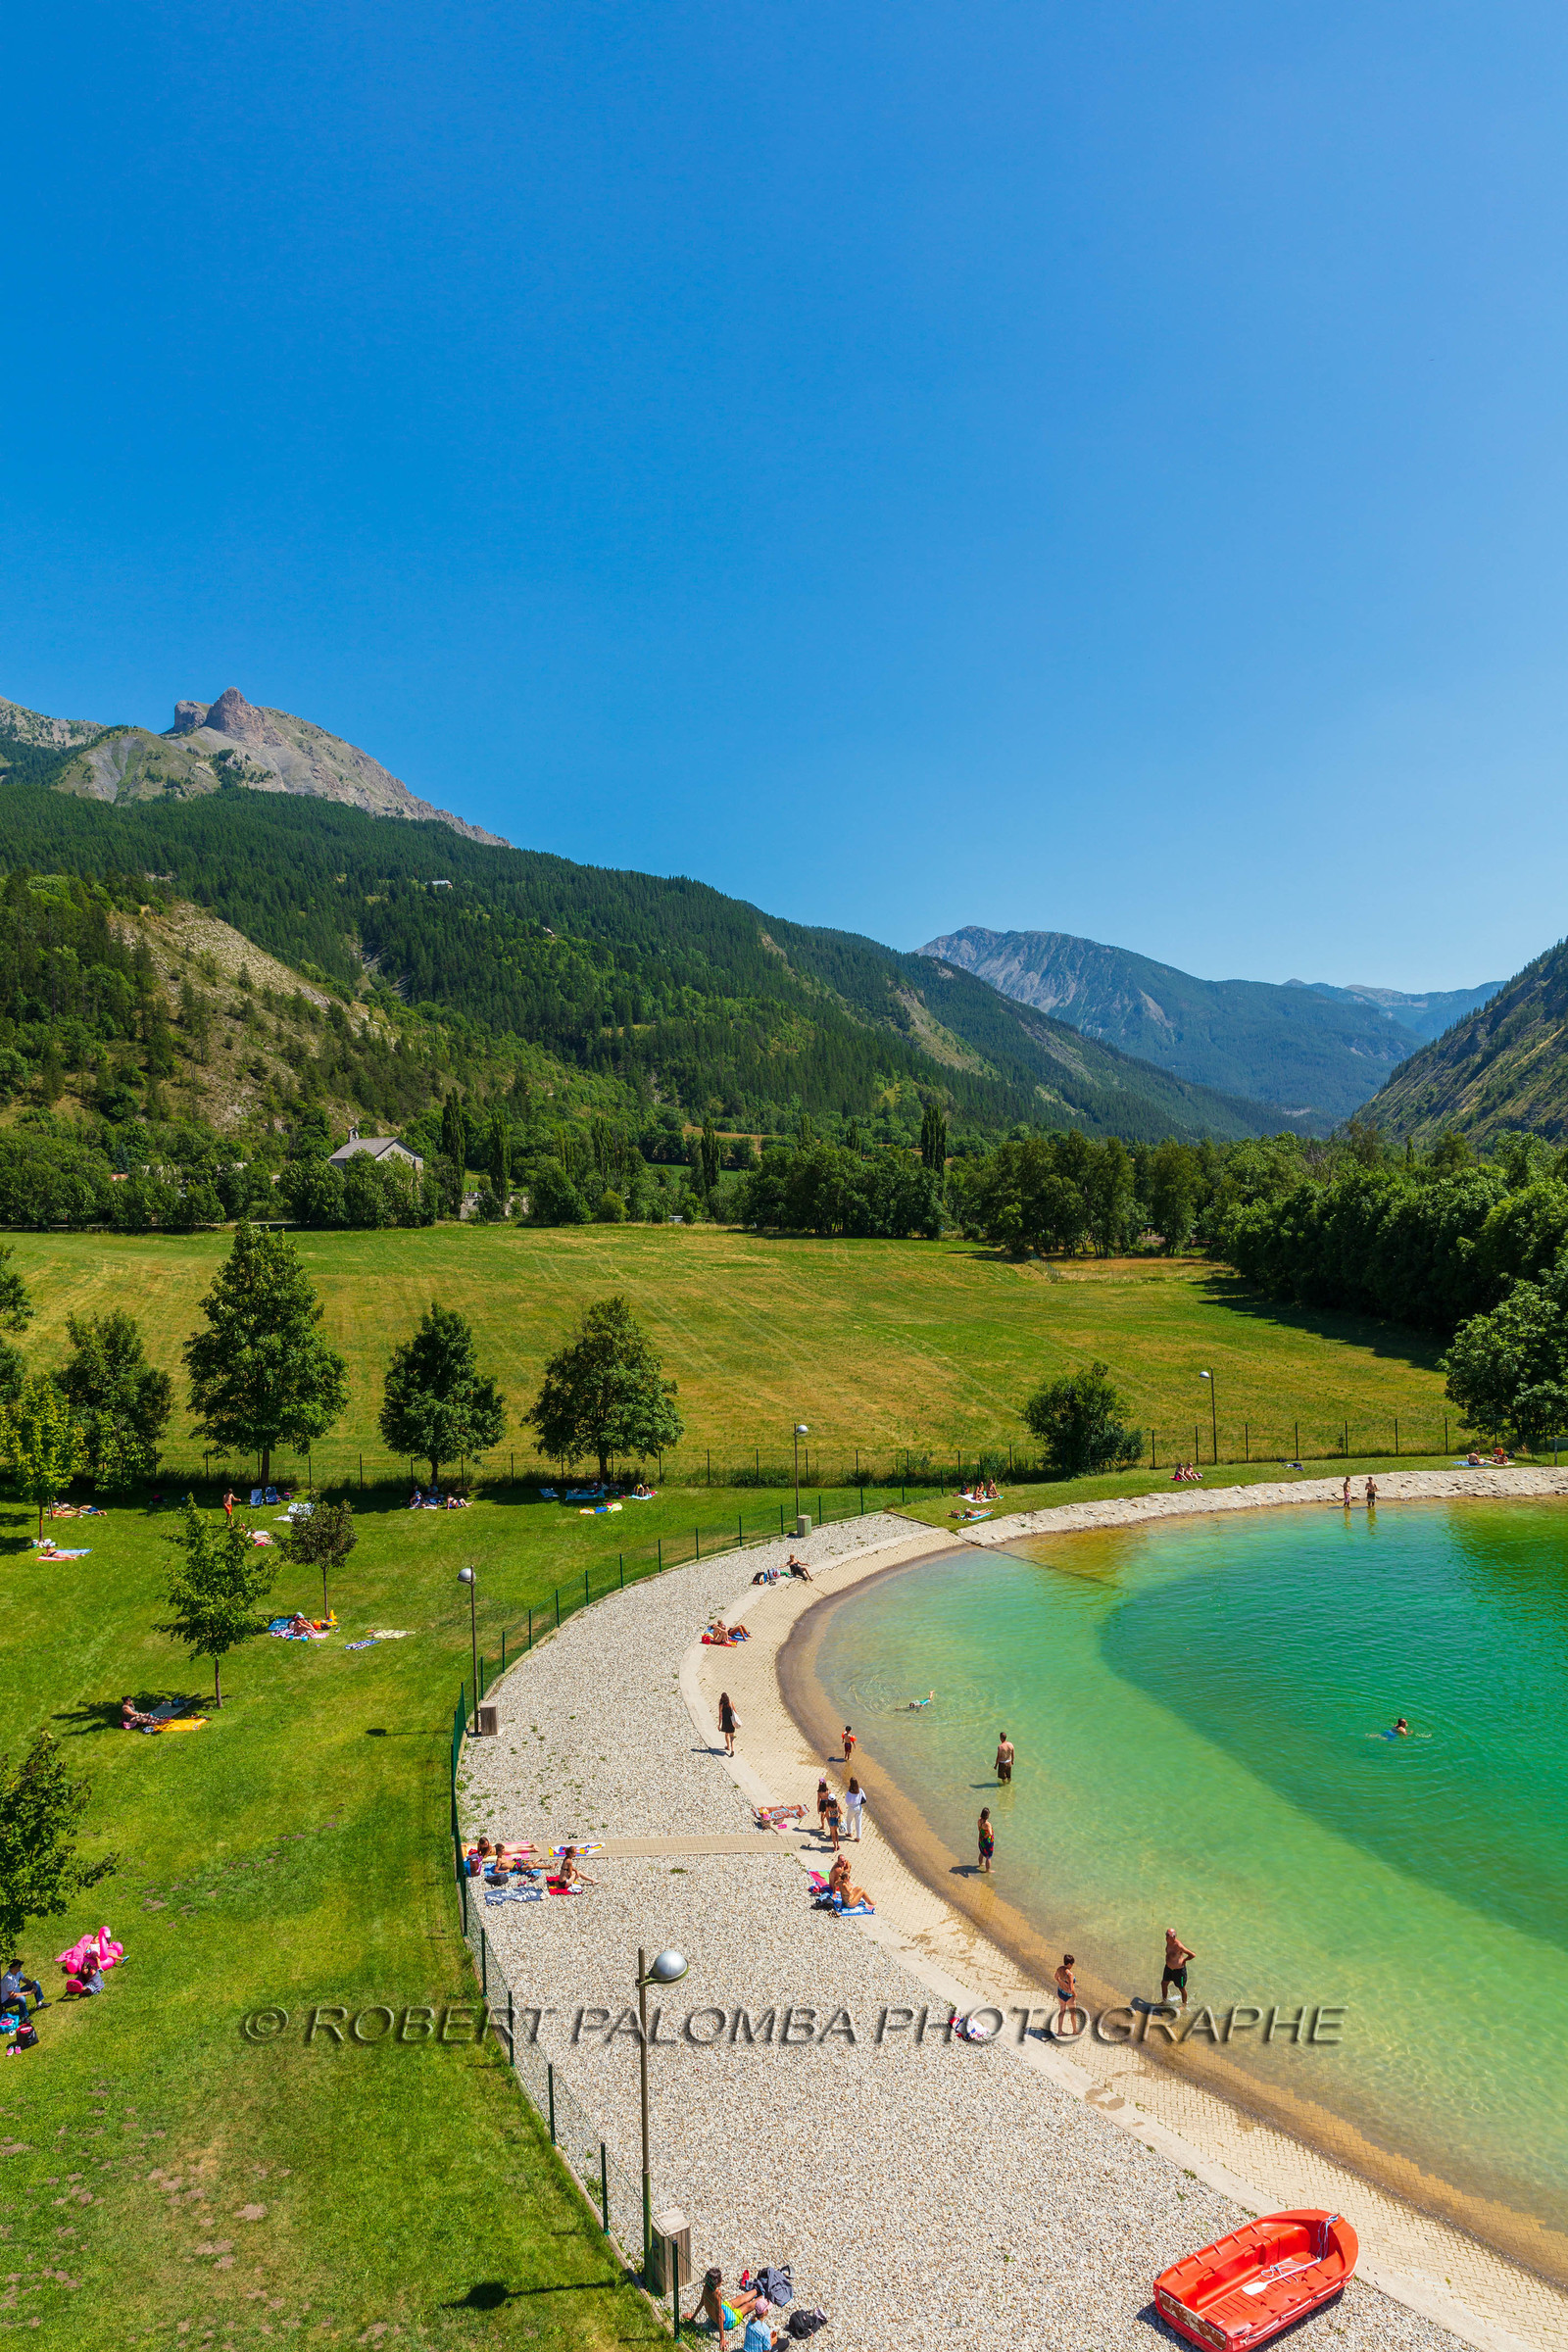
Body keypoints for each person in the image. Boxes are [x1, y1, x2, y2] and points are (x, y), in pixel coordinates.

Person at [686, 2267, 759, 2339]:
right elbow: (720, 2316)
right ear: (717, 2283)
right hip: (727, 2320)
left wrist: (693, 2317)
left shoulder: (706, 2287)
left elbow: (701, 2303)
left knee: (739, 2298)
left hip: (722, 2310)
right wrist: (722, 2339)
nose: (722, 2280)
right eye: (721, 2278)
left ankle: (757, 2289)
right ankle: (763, 2297)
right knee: (747, 2306)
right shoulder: (717, 2294)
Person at [1161, 1925, 1196, 2012]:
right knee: (1164, 1983)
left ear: (1174, 1937)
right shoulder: (1168, 1942)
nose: (1167, 1937)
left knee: (1181, 1988)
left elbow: (1192, 1955)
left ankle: (1184, 2004)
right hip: (1168, 1968)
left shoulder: (1179, 1946)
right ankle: (1164, 2001)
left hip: (1179, 1971)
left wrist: (1185, 1960)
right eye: (1166, 1935)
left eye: (1169, 1936)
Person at [1053, 1953, 1078, 2034]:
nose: (1072, 1966)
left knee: (1062, 2011)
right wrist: (1075, 1994)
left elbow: (1056, 1977)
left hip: (1060, 1992)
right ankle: (1074, 2031)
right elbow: (1070, 1989)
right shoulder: (1070, 1975)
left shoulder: (1060, 1969)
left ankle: (1060, 2031)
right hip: (1068, 1996)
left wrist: (1061, 1982)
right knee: (1073, 2013)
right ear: (1070, 1964)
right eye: (1072, 1964)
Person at [845, 1776, 865, 1840]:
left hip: (851, 1808)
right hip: (859, 1807)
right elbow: (864, 1798)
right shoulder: (860, 1790)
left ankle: (850, 1833)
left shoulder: (849, 1792)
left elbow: (847, 1801)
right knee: (858, 1822)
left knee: (849, 1820)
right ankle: (858, 1837)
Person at [718, 1691, 738, 1756]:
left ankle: (728, 1746)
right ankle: (732, 1749)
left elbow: (720, 1715)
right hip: (731, 1721)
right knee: (732, 1736)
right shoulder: (731, 1703)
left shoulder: (721, 1705)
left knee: (726, 1734)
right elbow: (735, 1712)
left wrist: (719, 1724)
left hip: (725, 1721)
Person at [977, 1806, 994, 1874]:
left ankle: (980, 1864)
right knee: (988, 1856)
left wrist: (982, 1836)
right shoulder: (987, 1824)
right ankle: (987, 1870)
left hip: (981, 1839)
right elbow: (990, 1833)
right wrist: (985, 1837)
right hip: (987, 1841)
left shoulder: (979, 1821)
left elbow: (979, 1829)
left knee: (982, 1852)